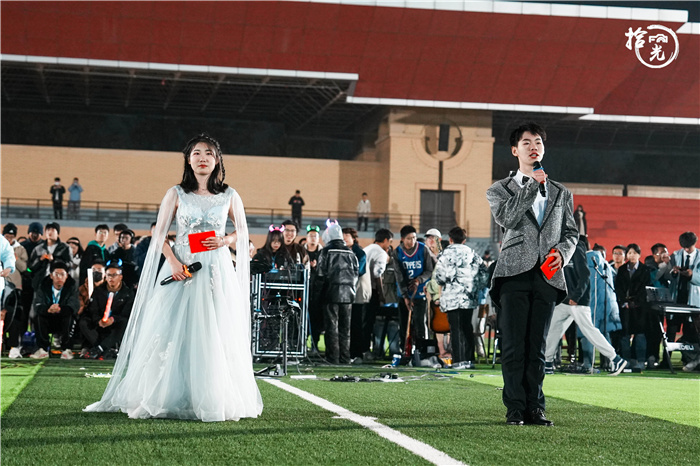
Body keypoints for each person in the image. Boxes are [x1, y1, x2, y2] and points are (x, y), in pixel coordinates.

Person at [85, 133, 263, 422]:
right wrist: (172, 261)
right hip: (180, 266)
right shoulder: (176, 193)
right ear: (188, 160)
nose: (202, 158)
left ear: (217, 160)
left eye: (208, 153)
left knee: (213, 329)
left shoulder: (230, 195)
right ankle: (166, 394)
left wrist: (225, 240)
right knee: (171, 328)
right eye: (196, 153)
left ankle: (210, 396)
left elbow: (242, 231)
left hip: (215, 269)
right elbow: (159, 233)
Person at [486, 123, 578, 426]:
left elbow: (571, 233)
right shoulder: (499, 190)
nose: (533, 147)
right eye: (526, 143)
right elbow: (508, 218)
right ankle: (515, 408)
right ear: (515, 150)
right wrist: (530, 187)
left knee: (538, 347)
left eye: (538, 142)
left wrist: (562, 253)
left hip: (547, 275)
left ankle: (536, 407)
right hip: (513, 273)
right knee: (514, 345)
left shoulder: (561, 192)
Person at [544, 237, 628, 375]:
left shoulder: (575, 249)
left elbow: (585, 274)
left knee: (589, 330)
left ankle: (615, 358)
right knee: (553, 329)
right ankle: (547, 363)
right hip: (566, 300)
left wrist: (576, 296)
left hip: (577, 301)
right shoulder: (561, 250)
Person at [433, 227, 489, 370]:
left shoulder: (445, 254)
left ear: (450, 239)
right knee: (467, 327)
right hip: (468, 297)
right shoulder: (472, 253)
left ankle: (458, 361)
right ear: (464, 240)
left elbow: (439, 277)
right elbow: (484, 273)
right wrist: (475, 286)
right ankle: (469, 360)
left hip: (451, 298)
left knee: (455, 329)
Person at [313, 221, 359, 364]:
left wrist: (316, 296)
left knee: (331, 327)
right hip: (348, 295)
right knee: (345, 328)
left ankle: (333, 358)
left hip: (330, 294)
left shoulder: (326, 251)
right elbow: (356, 274)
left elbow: (320, 275)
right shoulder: (351, 253)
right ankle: (345, 357)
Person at [395, 225, 434, 364]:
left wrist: (419, 280)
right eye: (408, 238)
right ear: (402, 239)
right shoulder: (397, 252)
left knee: (420, 324)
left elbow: (429, 270)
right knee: (404, 325)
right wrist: (405, 296)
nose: (412, 241)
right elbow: (398, 276)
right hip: (404, 294)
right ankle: (404, 352)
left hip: (420, 293)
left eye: (414, 238)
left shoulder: (423, 249)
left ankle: (421, 353)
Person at [80, 260, 135, 359]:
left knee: (125, 322)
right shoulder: (99, 291)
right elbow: (93, 309)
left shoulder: (128, 293)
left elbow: (127, 313)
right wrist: (98, 320)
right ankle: (106, 349)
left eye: (114, 275)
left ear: (120, 277)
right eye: (109, 275)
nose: (111, 278)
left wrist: (113, 319)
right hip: (100, 322)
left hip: (116, 323)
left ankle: (100, 348)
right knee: (84, 321)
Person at [30, 261, 79, 359]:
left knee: (70, 318)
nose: (59, 277)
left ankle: (66, 349)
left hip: (63, 319)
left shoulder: (71, 286)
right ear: (51, 276)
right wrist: (48, 310)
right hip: (48, 318)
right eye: (56, 274)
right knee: (38, 318)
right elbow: (38, 305)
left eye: (62, 274)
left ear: (67, 276)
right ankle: (43, 349)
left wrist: (60, 309)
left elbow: (74, 306)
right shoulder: (43, 286)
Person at [614, 243, 652, 370]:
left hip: (639, 307)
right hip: (625, 306)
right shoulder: (622, 269)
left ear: (639, 255)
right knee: (624, 334)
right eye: (629, 253)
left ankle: (640, 360)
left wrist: (636, 302)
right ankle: (626, 361)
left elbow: (645, 288)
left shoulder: (645, 269)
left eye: (634, 253)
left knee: (640, 334)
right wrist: (624, 301)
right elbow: (618, 287)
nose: (632, 256)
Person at [668, 231, 700, 371]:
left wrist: (692, 275)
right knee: (671, 329)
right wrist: (674, 273)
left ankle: (688, 359)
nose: (686, 250)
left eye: (689, 247)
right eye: (684, 247)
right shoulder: (675, 255)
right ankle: (666, 359)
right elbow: (668, 276)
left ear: (695, 243)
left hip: (693, 299)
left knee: (690, 330)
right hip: (677, 298)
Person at [28, 222, 71, 290]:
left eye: (53, 230)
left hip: (59, 282)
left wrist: (54, 260)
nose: (50, 232)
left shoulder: (65, 248)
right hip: (40, 282)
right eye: (48, 230)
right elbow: (30, 267)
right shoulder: (38, 248)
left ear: (58, 233)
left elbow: (69, 264)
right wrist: (40, 260)